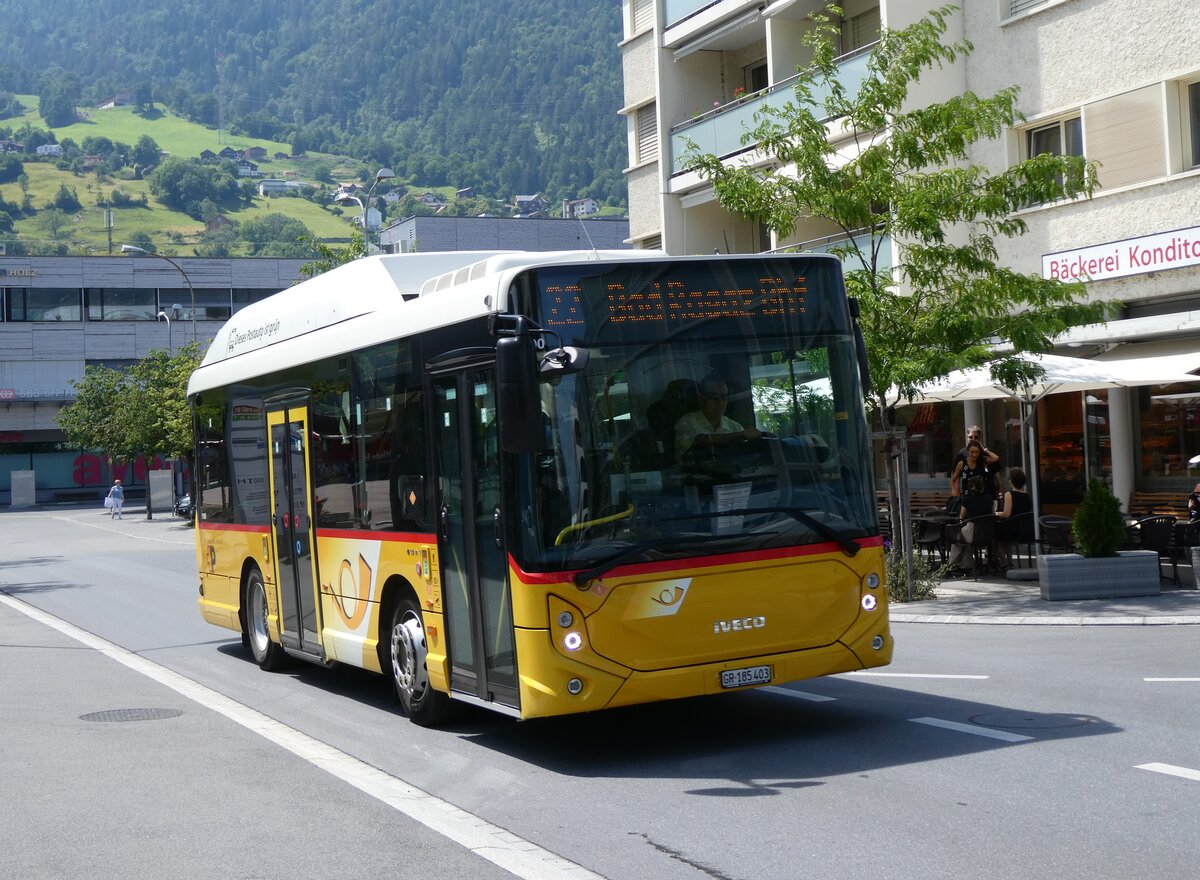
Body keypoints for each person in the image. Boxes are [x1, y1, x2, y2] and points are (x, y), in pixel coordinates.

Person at [674, 373, 760, 461]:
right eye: (713, 396)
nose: (720, 402)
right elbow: (701, 441)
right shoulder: (687, 421)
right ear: (701, 398)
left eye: (723, 397)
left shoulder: (734, 427)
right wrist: (741, 435)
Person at [946, 473, 996, 573]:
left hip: (973, 531)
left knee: (957, 540)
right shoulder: (989, 499)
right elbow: (992, 514)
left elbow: (961, 517)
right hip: (987, 533)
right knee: (965, 539)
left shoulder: (967, 500)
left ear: (971, 487)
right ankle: (965, 565)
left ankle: (950, 565)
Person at [995, 467, 1033, 569]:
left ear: (1011, 481)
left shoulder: (1009, 495)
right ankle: (1009, 561)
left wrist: (996, 513)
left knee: (996, 535)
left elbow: (1006, 514)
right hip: (1025, 529)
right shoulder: (1027, 496)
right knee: (1004, 534)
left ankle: (1005, 562)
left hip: (1014, 529)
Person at [949, 425, 1001, 498]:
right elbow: (954, 476)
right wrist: (955, 490)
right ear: (968, 451)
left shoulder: (983, 458)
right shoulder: (962, 458)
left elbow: (996, 461)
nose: (974, 455)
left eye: (977, 452)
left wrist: (984, 449)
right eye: (970, 437)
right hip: (968, 495)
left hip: (985, 493)